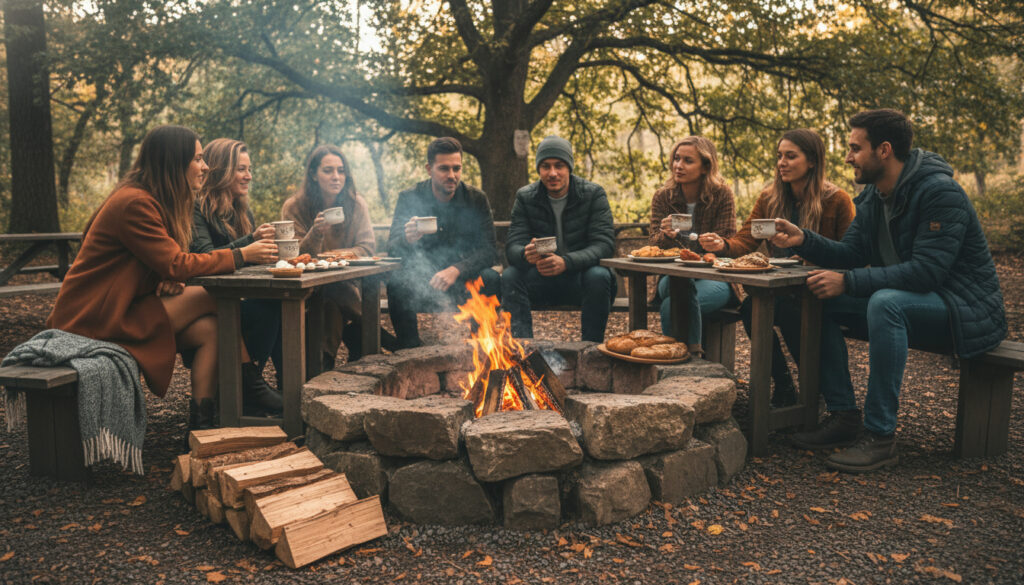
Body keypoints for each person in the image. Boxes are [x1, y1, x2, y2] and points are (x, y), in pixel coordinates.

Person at [769, 109, 1006, 472]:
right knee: (806, 301)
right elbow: (850, 253)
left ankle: (880, 437)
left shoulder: (941, 193)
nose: (847, 157)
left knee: (885, 303)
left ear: (883, 150)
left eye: (854, 148)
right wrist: (805, 239)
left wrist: (848, 282)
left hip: (962, 307)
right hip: (911, 299)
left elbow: (927, 273)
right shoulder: (873, 197)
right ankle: (844, 414)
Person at [47, 125, 243, 431]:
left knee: (210, 329)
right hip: (91, 319)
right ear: (172, 162)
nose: (205, 167)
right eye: (197, 159)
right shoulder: (134, 203)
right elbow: (177, 263)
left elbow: (164, 265)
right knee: (214, 297)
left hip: (123, 306)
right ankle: (252, 385)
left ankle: (201, 428)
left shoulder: (155, 200)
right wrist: (242, 255)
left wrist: (169, 277)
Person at [700, 129, 855, 406]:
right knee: (751, 308)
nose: (781, 162)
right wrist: (721, 245)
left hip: (822, 289)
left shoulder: (837, 200)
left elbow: (852, 254)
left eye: (791, 156)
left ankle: (814, 389)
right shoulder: (770, 198)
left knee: (794, 312)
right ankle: (783, 385)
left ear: (812, 161)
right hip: (783, 289)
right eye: (779, 156)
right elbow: (745, 240)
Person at [191, 138, 283, 416]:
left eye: (249, 169)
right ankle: (248, 391)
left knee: (279, 302)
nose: (248, 176)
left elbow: (247, 260)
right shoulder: (197, 207)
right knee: (265, 309)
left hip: (234, 296)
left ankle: (254, 388)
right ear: (220, 170)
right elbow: (204, 258)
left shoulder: (242, 210)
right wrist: (249, 244)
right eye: (240, 169)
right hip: (202, 302)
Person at [386, 137, 500, 348]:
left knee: (491, 278)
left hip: (463, 281)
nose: (452, 175)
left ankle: (482, 350)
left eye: (457, 168)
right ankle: (409, 351)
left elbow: (490, 250)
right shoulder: (410, 198)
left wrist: (457, 269)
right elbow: (392, 247)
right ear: (429, 169)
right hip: (423, 284)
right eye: (444, 169)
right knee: (396, 283)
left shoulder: (475, 199)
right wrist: (407, 238)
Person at [281, 144, 389, 365]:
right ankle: (378, 336)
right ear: (313, 174)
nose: (336, 177)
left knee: (332, 300)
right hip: (307, 288)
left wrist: (332, 257)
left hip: (347, 283)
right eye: (328, 171)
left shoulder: (356, 204)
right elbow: (296, 257)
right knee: (331, 291)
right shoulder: (294, 206)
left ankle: (322, 367)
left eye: (341, 171)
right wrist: (316, 233)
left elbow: (367, 248)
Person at [502, 136, 616, 342]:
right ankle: (523, 351)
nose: (552, 173)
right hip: (541, 281)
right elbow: (513, 246)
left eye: (559, 166)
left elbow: (604, 244)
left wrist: (566, 262)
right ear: (538, 169)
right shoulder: (525, 197)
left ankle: (590, 349)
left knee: (599, 275)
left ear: (569, 168)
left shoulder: (593, 194)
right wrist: (524, 254)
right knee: (510, 275)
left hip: (580, 281)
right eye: (545, 166)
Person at [648, 136, 736, 356]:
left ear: (706, 166)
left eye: (688, 161)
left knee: (670, 306)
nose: (678, 165)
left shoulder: (722, 195)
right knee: (679, 283)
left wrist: (718, 243)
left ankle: (679, 357)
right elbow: (653, 243)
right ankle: (694, 355)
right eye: (676, 159)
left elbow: (728, 241)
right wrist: (666, 236)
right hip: (672, 276)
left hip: (714, 276)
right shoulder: (663, 197)